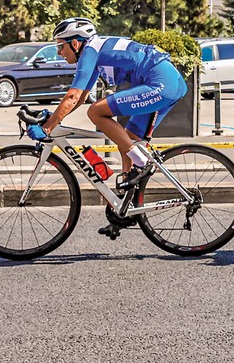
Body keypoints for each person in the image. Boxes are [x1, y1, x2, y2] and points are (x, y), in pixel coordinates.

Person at [30, 17, 187, 237]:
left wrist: (48, 127)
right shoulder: (93, 51)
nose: (59, 52)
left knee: (96, 112)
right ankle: (123, 210)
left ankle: (140, 162)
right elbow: (81, 95)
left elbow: (73, 96)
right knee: (128, 138)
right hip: (167, 81)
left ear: (75, 43)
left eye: (61, 46)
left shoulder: (89, 52)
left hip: (161, 83)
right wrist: (54, 118)